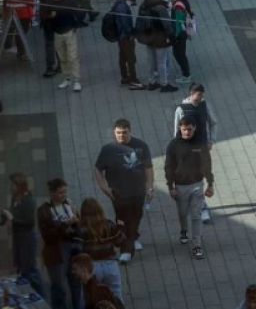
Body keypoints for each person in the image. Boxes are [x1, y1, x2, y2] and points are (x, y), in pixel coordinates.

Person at [93, 119, 154, 264]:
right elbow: (97, 168)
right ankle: (127, 250)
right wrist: (103, 187)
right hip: (118, 193)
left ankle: (134, 236)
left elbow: (148, 167)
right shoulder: (108, 150)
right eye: (118, 133)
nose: (121, 136)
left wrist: (150, 186)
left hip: (138, 191)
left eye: (124, 133)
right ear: (114, 132)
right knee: (123, 220)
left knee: (136, 216)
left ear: (130, 131)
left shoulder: (141, 146)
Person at [165, 116, 215, 260]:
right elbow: (169, 167)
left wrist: (210, 184)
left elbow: (207, 164)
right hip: (180, 186)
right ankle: (184, 230)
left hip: (197, 185)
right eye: (184, 129)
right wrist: (170, 186)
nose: (187, 132)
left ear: (194, 128)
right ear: (180, 128)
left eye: (189, 129)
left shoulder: (200, 144)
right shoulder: (173, 145)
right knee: (182, 213)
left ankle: (197, 245)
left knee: (196, 215)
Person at [38, 178, 83, 309]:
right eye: (60, 193)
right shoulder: (44, 211)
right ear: (52, 193)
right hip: (56, 251)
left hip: (73, 248)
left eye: (65, 192)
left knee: (76, 282)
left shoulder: (69, 204)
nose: (64, 195)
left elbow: (79, 228)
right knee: (59, 286)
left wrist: (76, 221)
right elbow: (47, 236)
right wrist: (65, 224)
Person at [2, 172, 45, 296]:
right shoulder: (15, 197)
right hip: (18, 237)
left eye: (13, 185)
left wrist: (12, 219)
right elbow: (13, 213)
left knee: (30, 269)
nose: (10, 187)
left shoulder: (29, 200)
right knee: (22, 267)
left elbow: (30, 222)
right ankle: (28, 294)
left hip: (27, 238)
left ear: (20, 185)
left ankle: (41, 296)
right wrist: (6, 216)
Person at [78, 197, 125, 300]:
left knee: (90, 297)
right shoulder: (108, 224)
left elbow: (78, 249)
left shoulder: (81, 229)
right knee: (116, 295)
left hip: (92, 267)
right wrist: (120, 228)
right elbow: (120, 241)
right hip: (111, 265)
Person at [44, 0, 84, 92]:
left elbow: (80, 14)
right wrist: (49, 16)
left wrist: (75, 25)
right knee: (62, 57)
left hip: (69, 31)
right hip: (57, 33)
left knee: (72, 56)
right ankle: (66, 78)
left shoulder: (70, 1)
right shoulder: (50, 2)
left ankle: (77, 80)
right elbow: (44, 15)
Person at [136, 0, 176, 91]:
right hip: (159, 37)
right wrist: (172, 37)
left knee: (151, 61)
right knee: (162, 62)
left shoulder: (145, 3)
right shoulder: (160, 7)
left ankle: (152, 82)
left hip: (148, 36)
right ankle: (164, 84)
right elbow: (167, 24)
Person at [169, 0, 194, 83]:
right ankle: (185, 73)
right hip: (180, 33)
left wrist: (176, 35)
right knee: (179, 54)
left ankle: (186, 75)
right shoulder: (179, 1)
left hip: (180, 34)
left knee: (179, 54)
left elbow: (179, 22)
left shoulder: (178, 5)